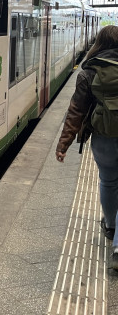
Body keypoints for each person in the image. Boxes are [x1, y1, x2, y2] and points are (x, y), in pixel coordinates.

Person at [56, 25, 118, 270]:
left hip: (103, 136)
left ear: (99, 43)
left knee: (108, 180)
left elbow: (76, 111)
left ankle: (110, 225)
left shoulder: (89, 71)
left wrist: (64, 144)